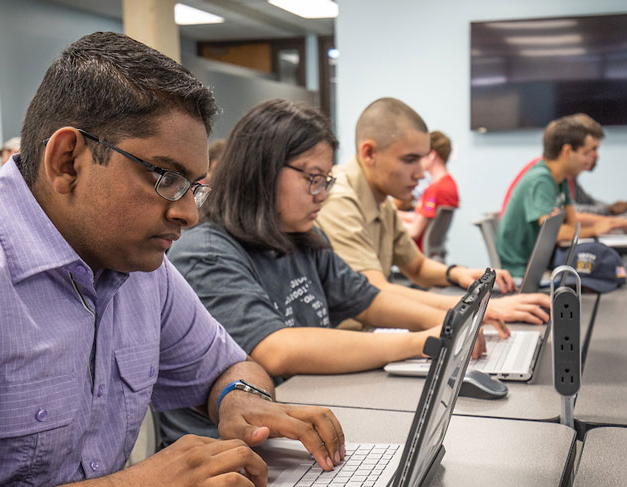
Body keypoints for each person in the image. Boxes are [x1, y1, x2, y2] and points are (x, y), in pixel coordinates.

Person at [0, 32, 345, 487]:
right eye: (166, 177)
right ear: (68, 160)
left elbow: (228, 366)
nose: (188, 213)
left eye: (195, 187)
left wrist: (242, 401)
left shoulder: (141, 268)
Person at [163, 100, 470, 442]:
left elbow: (369, 299)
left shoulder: (301, 237)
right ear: (262, 171)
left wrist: (449, 320)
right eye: (312, 179)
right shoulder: (205, 251)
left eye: (325, 180)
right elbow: (278, 349)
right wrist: (419, 342)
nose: (322, 194)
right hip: (227, 452)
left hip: (301, 425)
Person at [316, 97, 549, 329]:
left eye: (423, 159)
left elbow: (416, 266)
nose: (420, 173)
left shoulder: (382, 200)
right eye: (410, 160)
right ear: (369, 153)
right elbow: (375, 292)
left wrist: (456, 273)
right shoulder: (339, 201)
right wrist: (476, 306)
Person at [497, 114, 627, 277]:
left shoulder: (560, 180)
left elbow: (572, 223)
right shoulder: (541, 180)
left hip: (541, 263)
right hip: (522, 271)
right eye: (587, 152)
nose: (592, 157)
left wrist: (588, 228)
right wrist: (595, 229)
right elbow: (556, 234)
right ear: (567, 151)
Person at [499, 113, 627, 217]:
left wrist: (612, 209)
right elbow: (572, 213)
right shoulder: (544, 176)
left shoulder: (565, 177)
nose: (596, 155)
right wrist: (611, 215)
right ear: (568, 151)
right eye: (590, 149)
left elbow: (583, 203)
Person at [403, 130, 460, 249]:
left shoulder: (435, 190)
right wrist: (392, 213)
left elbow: (414, 232)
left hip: (416, 253)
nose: (419, 161)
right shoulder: (449, 184)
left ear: (432, 155)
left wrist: (390, 223)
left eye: (421, 155)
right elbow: (420, 217)